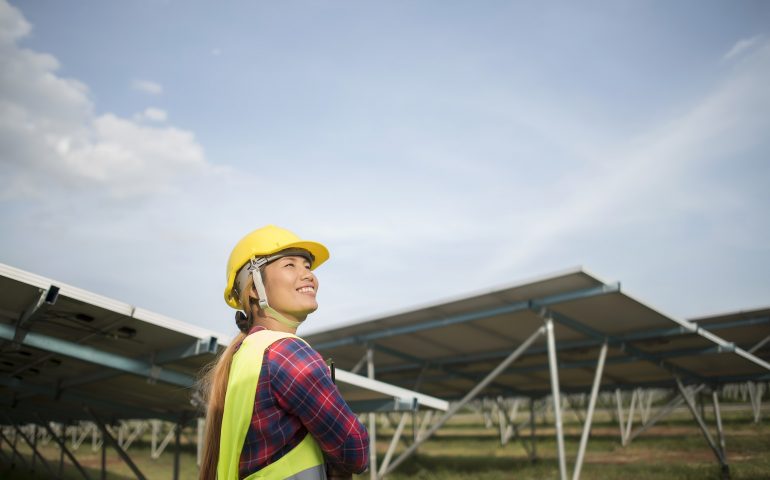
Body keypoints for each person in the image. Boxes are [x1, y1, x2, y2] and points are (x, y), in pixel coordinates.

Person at [198, 225, 369, 480]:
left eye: (307, 266)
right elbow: (356, 451)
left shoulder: (244, 354)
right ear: (254, 288)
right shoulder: (286, 352)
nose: (308, 275)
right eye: (290, 265)